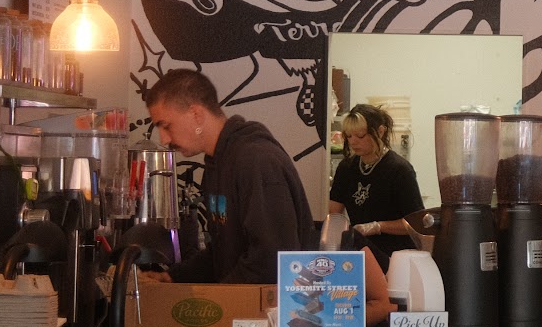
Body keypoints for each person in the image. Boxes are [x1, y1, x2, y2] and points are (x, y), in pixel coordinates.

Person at [144, 69, 318, 284]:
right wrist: (171, 277)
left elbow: (271, 261)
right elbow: (222, 252)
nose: (163, 139)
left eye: (166, 126)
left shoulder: (256, 160)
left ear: (196, 114)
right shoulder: (217, 163)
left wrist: (216, 297)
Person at [328, 103, 423, 272]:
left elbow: (415, 223)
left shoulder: (399, 170)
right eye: (349, 136)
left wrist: (377, 226)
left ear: (380, 131)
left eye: (361, 135)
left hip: (395, 257)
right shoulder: (346, 168)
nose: (353, 141)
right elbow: (334, 213)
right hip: (360, 254)